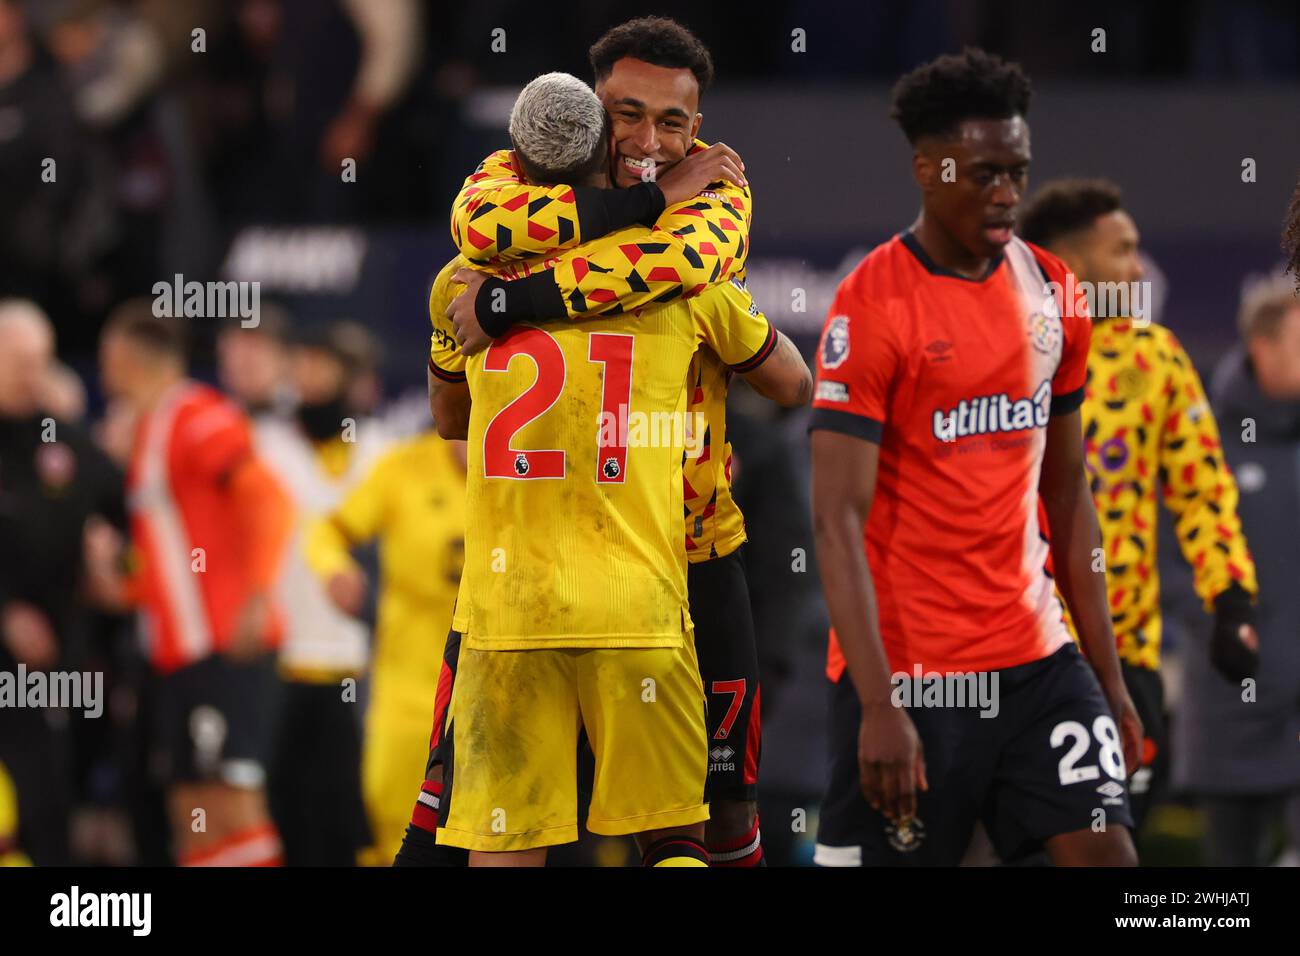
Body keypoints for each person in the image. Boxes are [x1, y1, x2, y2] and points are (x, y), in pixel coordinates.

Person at [401, 16, 809, 868]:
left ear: (699, 129)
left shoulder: (476, 271)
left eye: (674, 123)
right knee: (672, 828)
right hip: (618, 581)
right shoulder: (673, 260)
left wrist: (500, 311)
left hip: (660, 562)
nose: (653, 142)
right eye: (629, 115)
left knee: (714, 814)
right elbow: (791, 380)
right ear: (590, 111)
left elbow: (451, 411)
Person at [809, 49, 1140, 867]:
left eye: (1017, 172)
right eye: (983, 172)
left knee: (1115, 865)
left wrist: (1109, 676)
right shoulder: (872, 303)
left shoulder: (1055, 292)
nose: (1005, 194)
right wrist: (879, 705)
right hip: (913, 680)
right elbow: (834, 519)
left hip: (1036, 662)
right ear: (927, 168)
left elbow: (1067, 496)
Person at [1017, 178, 1260, 833]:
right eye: (1122, 250)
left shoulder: (1155, 359)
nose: (1137, 267)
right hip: (1011, 650)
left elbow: (1204, 489)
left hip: (1127, 657)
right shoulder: (1004, 347)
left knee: (1114, 835)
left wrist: (1230, 596)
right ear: (1070, 263)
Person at [96, 299, 294, 866]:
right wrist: (123, 584)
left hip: (223, 649)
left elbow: (269, 501)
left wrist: (257, 598)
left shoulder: (197, 415)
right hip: (177, 657)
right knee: (190, 809)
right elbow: (166, 554)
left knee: (232, 801)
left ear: (126, 357)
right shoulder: (147, 432)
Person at [1176, 277, 1300, 865]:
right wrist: (1230, 634)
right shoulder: (1201, 440)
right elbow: (1167, 562)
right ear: (1263, 347)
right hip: (1233, 715)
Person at [257, 323, 389, 865]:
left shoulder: (385, 456)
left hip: (360, 668)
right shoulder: (266, 446)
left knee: (354, 821)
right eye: (303, 368)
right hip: (282, 661)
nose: (310, 382)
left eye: (325, 369)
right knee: (285, 813)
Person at [305, 429, 467, 865]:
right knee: (393, 836)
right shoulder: (404, 467)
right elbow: (326, 532)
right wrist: (333, 570)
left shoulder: (530, 471)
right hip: (409, 697)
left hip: (498, 698)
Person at [0, 300, 124, 866]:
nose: (33, 373)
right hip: (11, 641)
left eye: (41, 361)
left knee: (48, 804)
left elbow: (123, 505)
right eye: (21, 361)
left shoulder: (61, 440)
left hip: (53, 662)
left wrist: (112, 559)